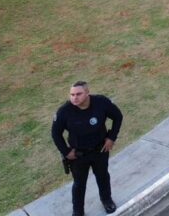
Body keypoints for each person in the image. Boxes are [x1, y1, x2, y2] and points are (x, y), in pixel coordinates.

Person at [51, 81, 123, 216]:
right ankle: (78, 211)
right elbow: (55, 133)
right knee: (79, 184)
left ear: (87, 93)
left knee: (103, 177)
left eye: (78, 94)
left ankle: (106, 200)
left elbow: (118, 117)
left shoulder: (101, 103)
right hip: (78, 155)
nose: (74, 98)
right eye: (72, 94)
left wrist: (112, 138)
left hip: (100, 150)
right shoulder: (64, 111)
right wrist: (66, 152)